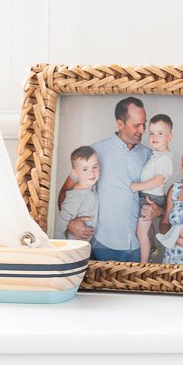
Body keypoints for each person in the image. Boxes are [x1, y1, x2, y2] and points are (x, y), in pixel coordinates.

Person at [65, 96, 156, 261]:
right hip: (104, 245)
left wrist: (157, 210)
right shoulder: (96, 151)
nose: (142, 130)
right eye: (136, 125)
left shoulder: (149, 155)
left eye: (144, 124)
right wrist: (70, 222)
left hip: (138, 246)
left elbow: (156, 199)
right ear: (120, 124)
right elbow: (67, 189)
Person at [130, 112, 175, 262]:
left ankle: (144, 263)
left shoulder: (164, 158)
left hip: (152, 197)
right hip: (148, 195)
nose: (154, 137)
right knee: (147, 228)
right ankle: (153, 246)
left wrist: (137, 186)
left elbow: (158, 180)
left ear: (169, 137)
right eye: (151, 133)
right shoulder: (156, 154)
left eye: (160, 134)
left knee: (140, 232)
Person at [53, 146, 100, 240]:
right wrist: (65, 251)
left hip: (87, 247)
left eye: (94, 167)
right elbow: (58, 229)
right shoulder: (74, 198)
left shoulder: (93, 188)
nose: (91, 173)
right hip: (74, 249)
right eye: (85, 169)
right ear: (75, 173)